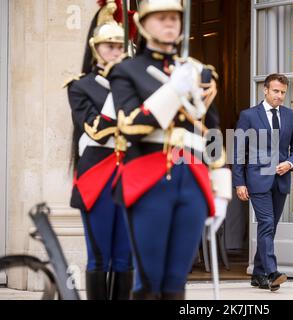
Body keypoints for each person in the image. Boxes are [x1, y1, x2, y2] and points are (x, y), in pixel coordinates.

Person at [109, 0, 231, 300]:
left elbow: (212, 131)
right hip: (148, 178)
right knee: (150, 282)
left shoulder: (200, 71)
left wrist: (221, 188)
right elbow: (130, 125)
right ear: (144, 24)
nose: (169, 24)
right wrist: (173, 91)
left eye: (175, 18)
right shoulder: (127, 70)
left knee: (177, 283)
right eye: (161, 18)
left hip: (191, 179)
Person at [64, 0, 133, 300]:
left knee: (125, 258)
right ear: (96, 49)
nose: (115, 52)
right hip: (97, 177)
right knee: (100, 258)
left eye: (120, 47)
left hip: (130, 176)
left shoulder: (135, 84)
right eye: (109, 46)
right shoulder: (80, 86)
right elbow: (97, 128)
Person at [232, 74, 293, 291]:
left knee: (269, 228)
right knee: (266, 224)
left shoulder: (290, 116)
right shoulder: (249, 116)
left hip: (281, 180)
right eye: (275, 91)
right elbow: (238, 151)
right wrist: (239, 182)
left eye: (283, 92)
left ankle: (257, 274)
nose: (280, 96)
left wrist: (290, 164)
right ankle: (272, 273)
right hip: (257, 180)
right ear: (265, 90)